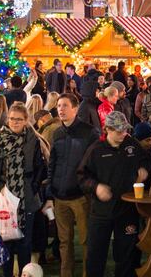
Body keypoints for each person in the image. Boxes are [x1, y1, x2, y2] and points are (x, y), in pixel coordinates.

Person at [78, 111, 151, 277]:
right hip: (101, 212)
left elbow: (146, 160)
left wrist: (145, 170)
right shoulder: (95, 150)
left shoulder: (132, 144)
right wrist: (96, 187)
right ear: (107, 129)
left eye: (125, 130)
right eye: (119, 131)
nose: (123, 134)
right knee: (96, 255)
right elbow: (82, 176)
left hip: (127, 209)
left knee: (127, 255)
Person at [0, 102, 47, 277]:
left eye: (18, 119)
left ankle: (25, 273)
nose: (14, 122)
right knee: (6, 239)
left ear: (26, 120)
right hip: (4, 195)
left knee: (25, 241)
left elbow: (41, 166)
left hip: (27, 195)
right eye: (11, 119)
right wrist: (0, 186)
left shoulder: (32, 139)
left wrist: (33, 187)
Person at [44, 93, 100, 277]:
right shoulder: (57, 133)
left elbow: (95, 165)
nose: (60, 109)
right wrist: (50, 190)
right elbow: (53, 163)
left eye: (65, 105)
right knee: (64, 241)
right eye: (59, 105)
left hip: (81, 196)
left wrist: (88, 188)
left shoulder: (89, 132)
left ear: (75, 108)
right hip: (60, 196)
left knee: (86, 240)